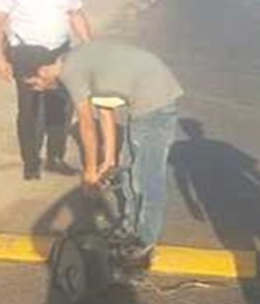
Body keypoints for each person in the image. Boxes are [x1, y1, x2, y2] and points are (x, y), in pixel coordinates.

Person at [24, 41, 184, 265]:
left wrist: (90, 172)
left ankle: (144, 243)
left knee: (146, 180)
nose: (38, 89)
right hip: (143, 99)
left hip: (154, 104)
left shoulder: (70, 73)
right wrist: (109, 158)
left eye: (35, 84)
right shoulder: (73, 62)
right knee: (127, 174)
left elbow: (87, 125)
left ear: (42, 70)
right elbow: (105, 110)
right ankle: (129, 229)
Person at [0, 0, 92, 180]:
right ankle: (31, 163)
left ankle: (55, 158)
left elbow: (75, 14)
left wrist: (91, 48)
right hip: (26, 53)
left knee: (61, 106)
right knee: (29, 110)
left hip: (59, 52)